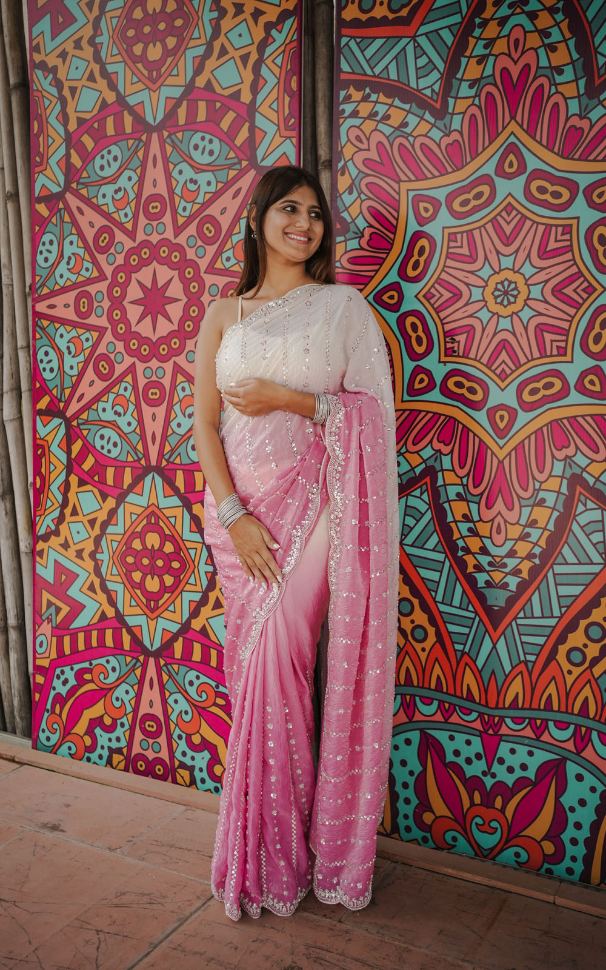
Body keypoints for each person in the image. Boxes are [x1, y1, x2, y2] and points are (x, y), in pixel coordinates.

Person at [193, 165, 399, 921]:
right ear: (258, 220)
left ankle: (284, 859)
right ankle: (267, 852)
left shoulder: (343, 308)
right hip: (239, 520)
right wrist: (233, 513)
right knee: (257, 680)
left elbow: (373, 417)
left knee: (281, 661)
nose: (304, 224)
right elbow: (204, 426)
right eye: (289, 208)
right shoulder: (224, 314)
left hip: (317, 512)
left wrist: (294, 399)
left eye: (315, 213)